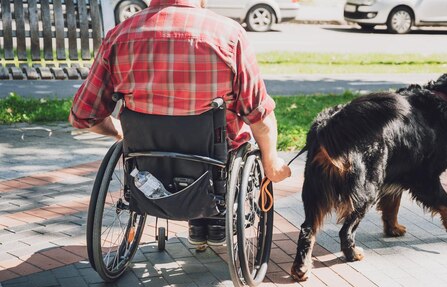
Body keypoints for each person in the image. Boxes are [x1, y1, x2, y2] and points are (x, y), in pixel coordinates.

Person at [69, 0, 291, 245]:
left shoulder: (120, 35)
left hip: (147, 157)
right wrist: (271, 163)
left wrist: (119, 132)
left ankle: (196, 216)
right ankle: (212, 214)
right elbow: (258, 114)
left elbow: (82, 114)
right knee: (232, 137)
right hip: (214, 157)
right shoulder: (229, 34)